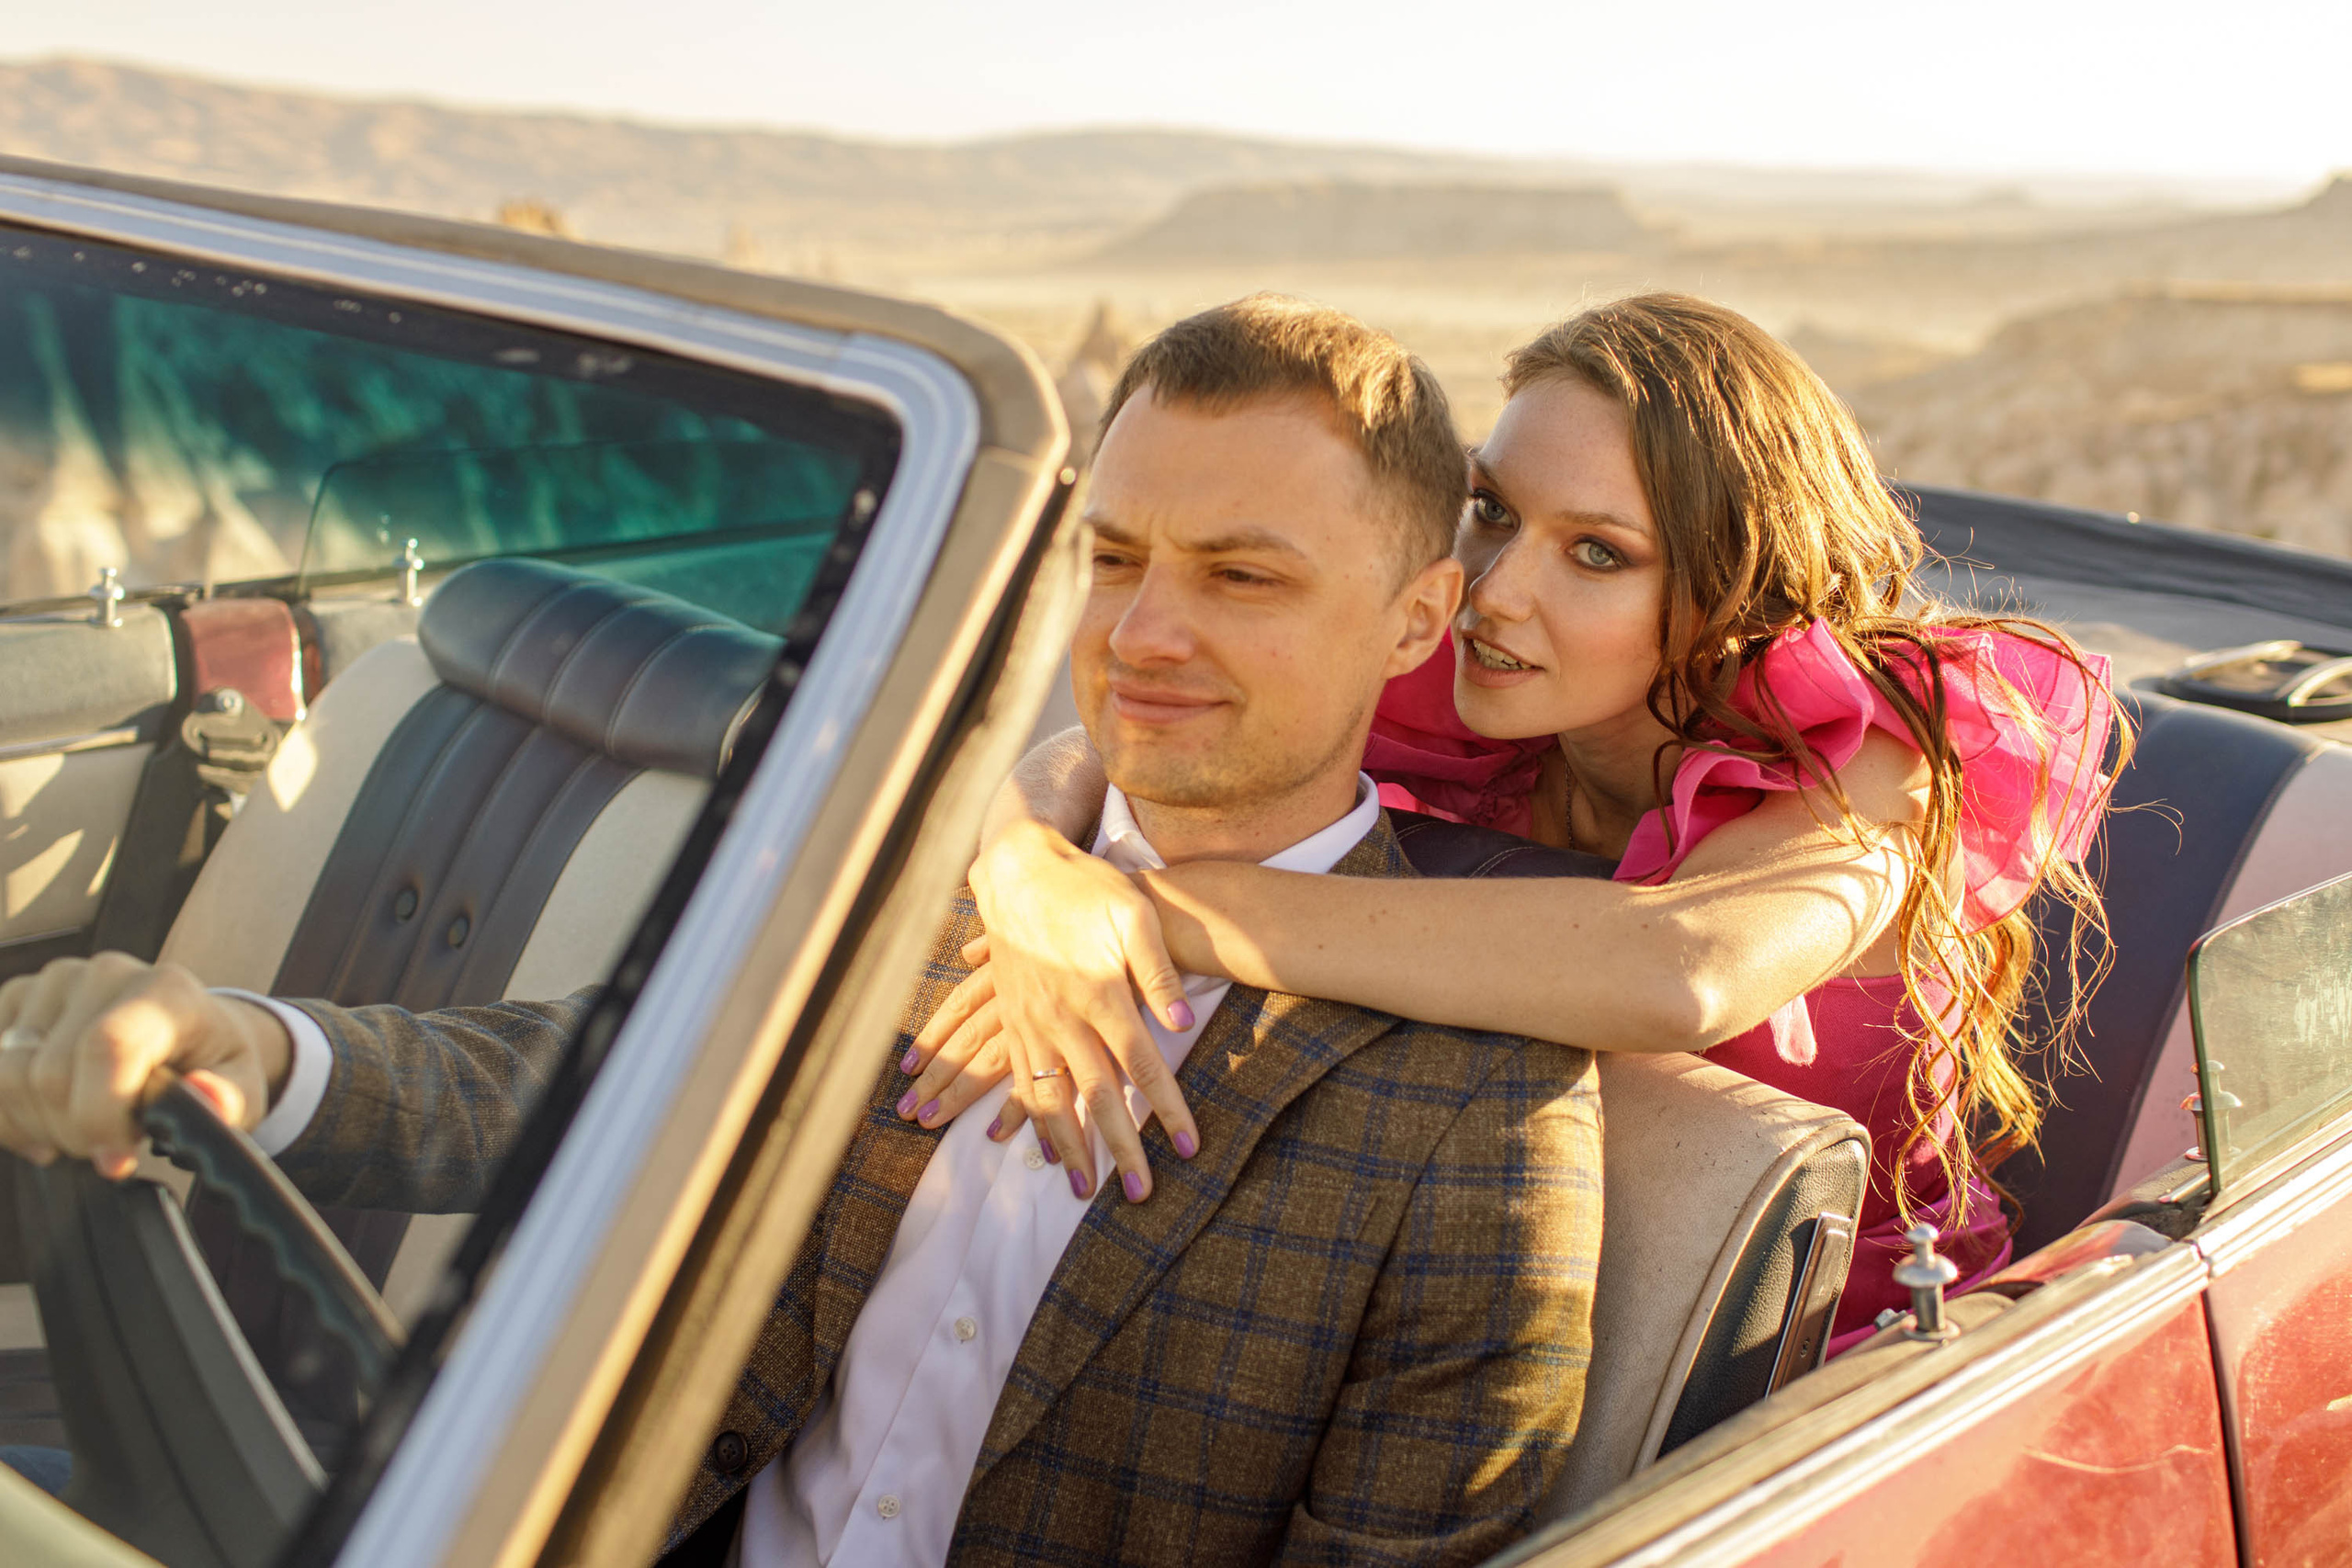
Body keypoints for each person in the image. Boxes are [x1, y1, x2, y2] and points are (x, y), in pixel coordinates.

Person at [0, 297, 1602, 1567]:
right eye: (1112, 558)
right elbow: (601, 1081)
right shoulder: (955, 877)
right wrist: (249, 1043)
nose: (1144, 633)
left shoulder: (1485, 1101)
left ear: (1416, 623)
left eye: (1244, 577)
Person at [905, 292, 2120, 1350]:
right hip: (1524, 1298)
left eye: (1596, 553)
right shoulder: (1476, 694)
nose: (1499, 590)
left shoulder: (1882, 753)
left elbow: (1681, 968)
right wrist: (1031, 873)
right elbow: (1108, 737)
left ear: (1732, 582)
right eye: (1490, 511)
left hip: (1836, 1360)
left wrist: (1160, 915)